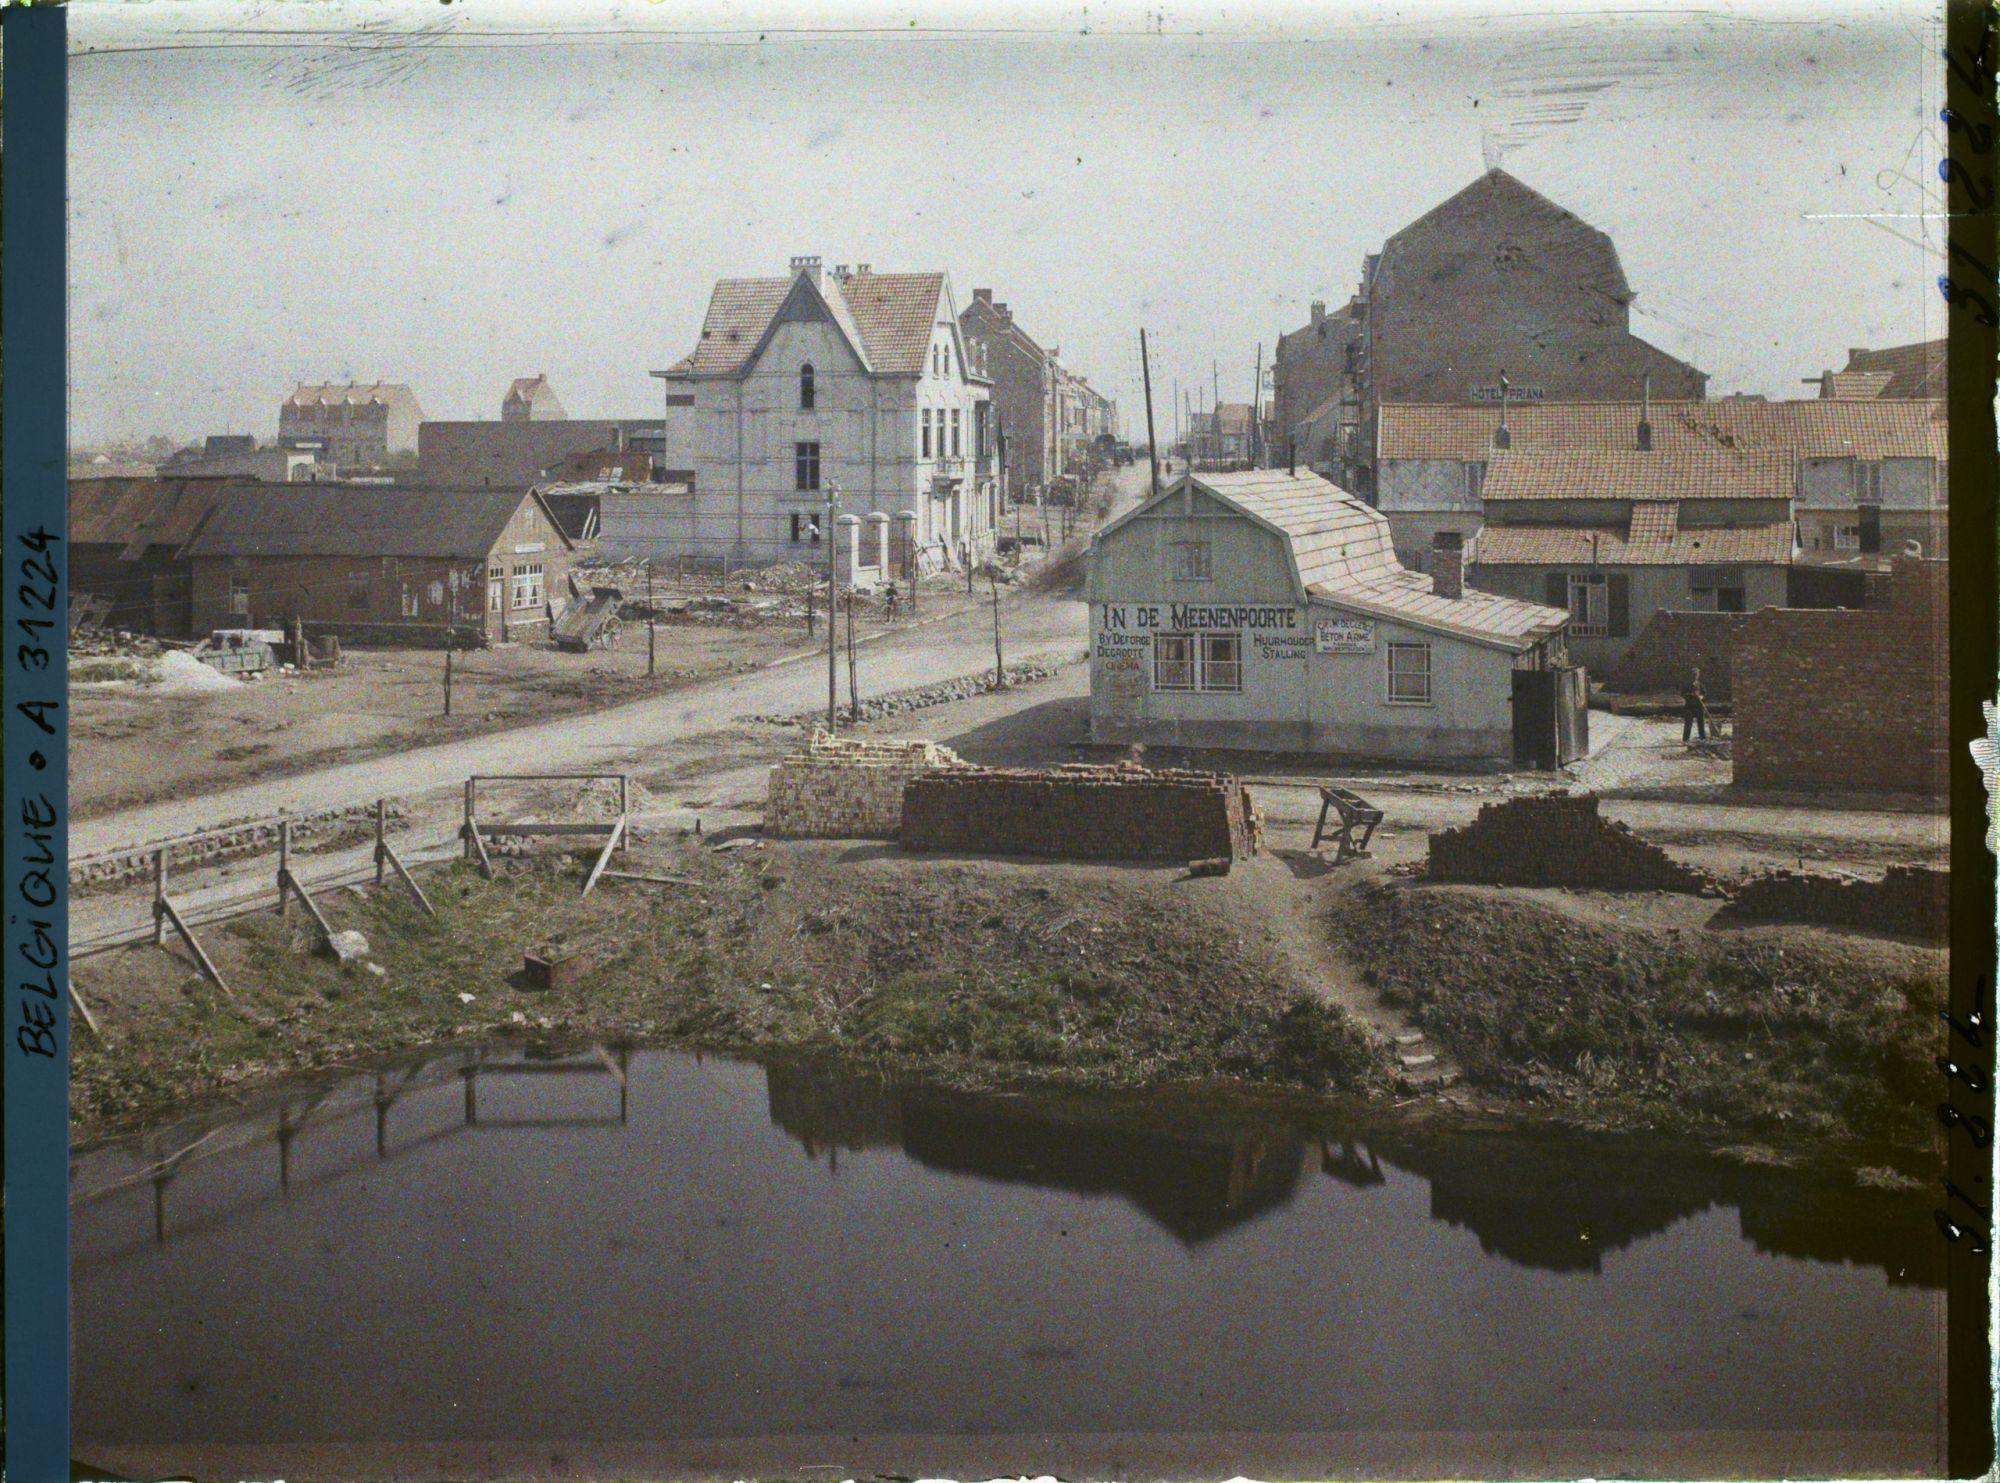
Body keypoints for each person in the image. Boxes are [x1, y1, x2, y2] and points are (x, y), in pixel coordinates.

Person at [1681, 668, 1710, 742]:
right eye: (1693, 674)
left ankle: (1702, 738)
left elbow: (1704, 694)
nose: (1695, 676)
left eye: (1696, 675)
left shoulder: (1700, 685)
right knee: (1688, 723)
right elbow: (1682, 694)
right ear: (1691, 675)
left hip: (1699, 706)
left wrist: (1701, 696)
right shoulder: (1687, 685)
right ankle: (1686, 739)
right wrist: (1692, 695)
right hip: (1689, 707)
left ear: (1698, 675)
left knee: (1701, 723)